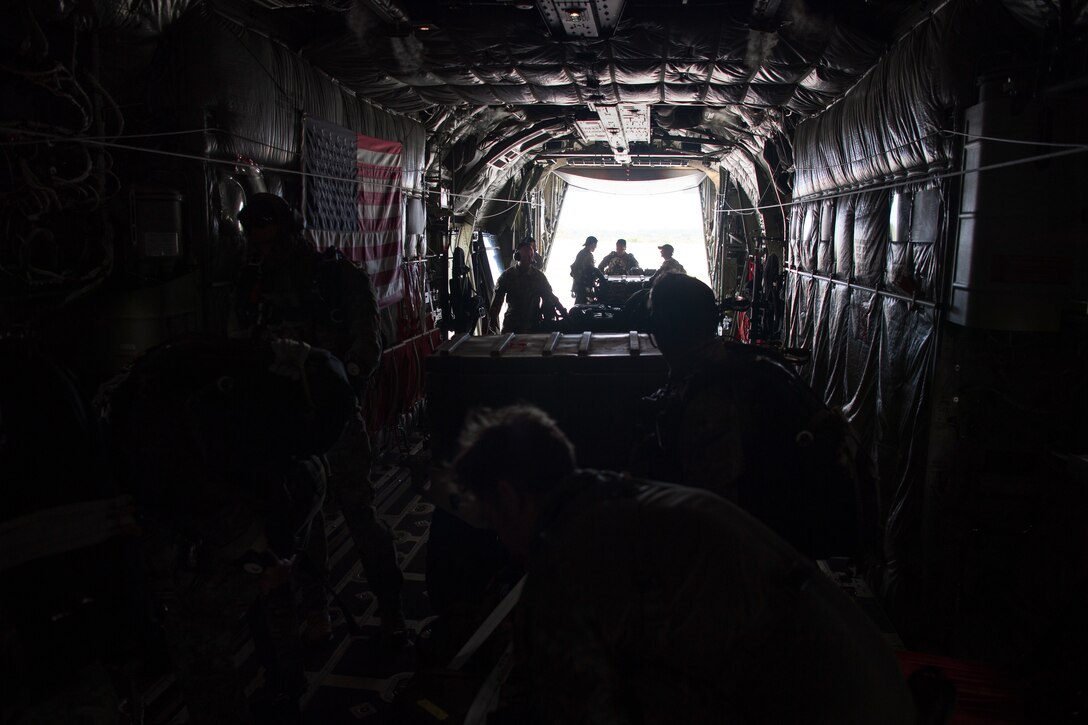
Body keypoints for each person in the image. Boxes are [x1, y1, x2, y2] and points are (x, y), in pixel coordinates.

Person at [452, 405, 915, 725]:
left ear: (510, 498)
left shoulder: (569, 560)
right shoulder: (631, 500)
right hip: (880, 693)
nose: (497, 534)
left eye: (491, 515)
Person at [101, 337, 356, 724]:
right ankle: (288, 682)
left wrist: (264, 548)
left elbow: (213, 483)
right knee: (268, 583)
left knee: (196, 636)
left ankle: (271, 689)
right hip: (298, 481)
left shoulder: (182, 408)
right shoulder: (254, 373)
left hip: (268, 494)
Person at [232, 192, 407, 641]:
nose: (265, 253)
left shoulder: (339, 279)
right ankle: (315, 612)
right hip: (287, 425)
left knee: (358, 513)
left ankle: (391, 610)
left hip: (335, 419)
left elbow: (369, 345)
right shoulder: (257, 284)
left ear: (293, 234)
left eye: (272, 243)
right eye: (259, 245)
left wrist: (340, 386)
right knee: (302, 523)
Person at [642, 273, 874, 560]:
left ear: (664, 328)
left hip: (752, 566)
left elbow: (716, 516)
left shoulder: (711, 398)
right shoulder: (750, 362)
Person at [489, 239, 567, 333]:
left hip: (533, 325)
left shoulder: (538, 277)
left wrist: (562, 313)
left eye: (530, 256)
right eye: (526, 255)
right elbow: (497, 301)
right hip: (512, 325)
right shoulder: (507, 276)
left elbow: (550, 296)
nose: (529, 258)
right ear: (518, 256)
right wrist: (492, 321)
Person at [569, 235, 604, 304]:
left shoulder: (581, 253)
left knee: (579, 302)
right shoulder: (588, 255)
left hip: (578, 283)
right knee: (583, 303)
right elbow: (590, 270)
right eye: (595, 245)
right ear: (593, 244)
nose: (596, 247)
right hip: (584, 284)